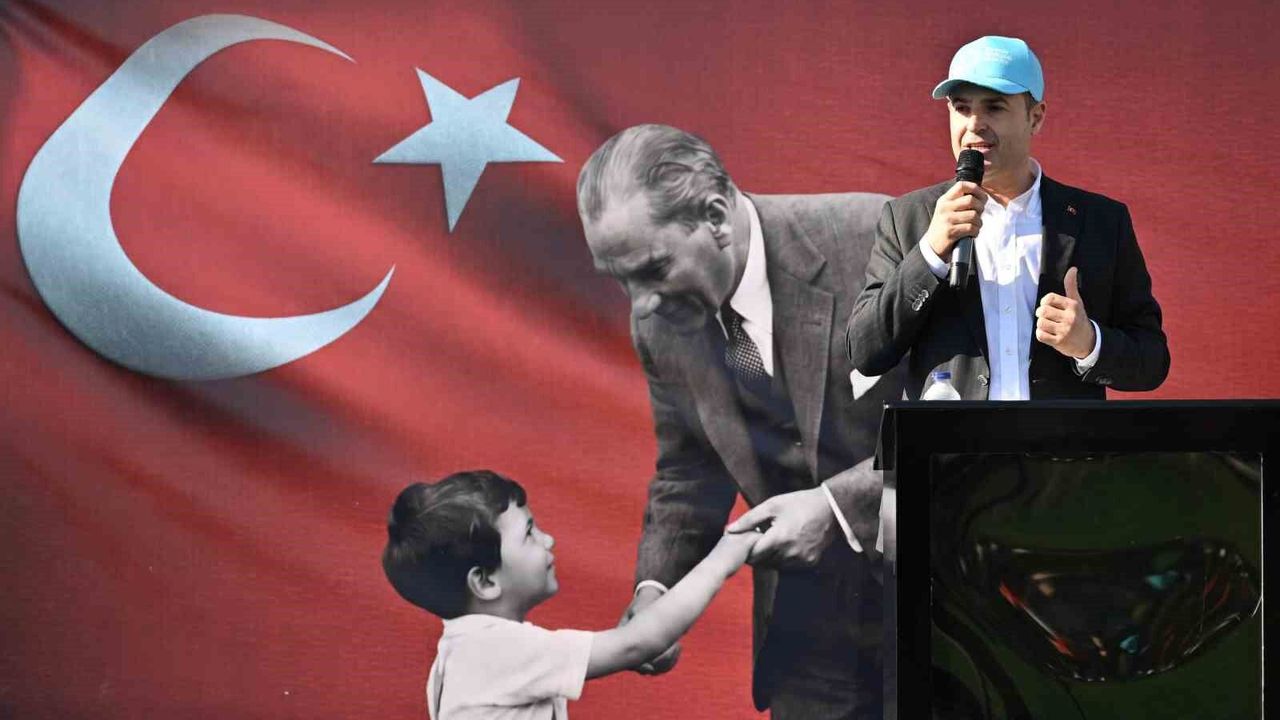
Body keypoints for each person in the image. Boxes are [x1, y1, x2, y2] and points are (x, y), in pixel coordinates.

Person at [576, 124, 904, 719]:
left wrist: (835, 508)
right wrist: (657, 592)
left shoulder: (881, 239)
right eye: (618, 280)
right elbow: (689, 468)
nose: (640, 304)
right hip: (809, 644)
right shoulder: (659, 325)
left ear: (716, 217)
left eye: (652, 269)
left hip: (944, 606)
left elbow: (974, 411)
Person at [848, 36, 1170, 400]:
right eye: (962, 108)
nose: (974, 125)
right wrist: (930, 254)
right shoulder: (908, 218)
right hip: (950, 438)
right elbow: (866, 352)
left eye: (994, 108)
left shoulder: (1101, 222)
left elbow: (1152, 360)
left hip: (1058, 439)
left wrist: (1088, 343)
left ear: (1036, 117)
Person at [381, 470, 758, 719]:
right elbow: (637, 643)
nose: (548, 540)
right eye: (529, 534)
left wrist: (630, 650)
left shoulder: (464, 651)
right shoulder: (495, 649)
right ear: (484, 581)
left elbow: (632, 647)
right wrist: (726, 555)